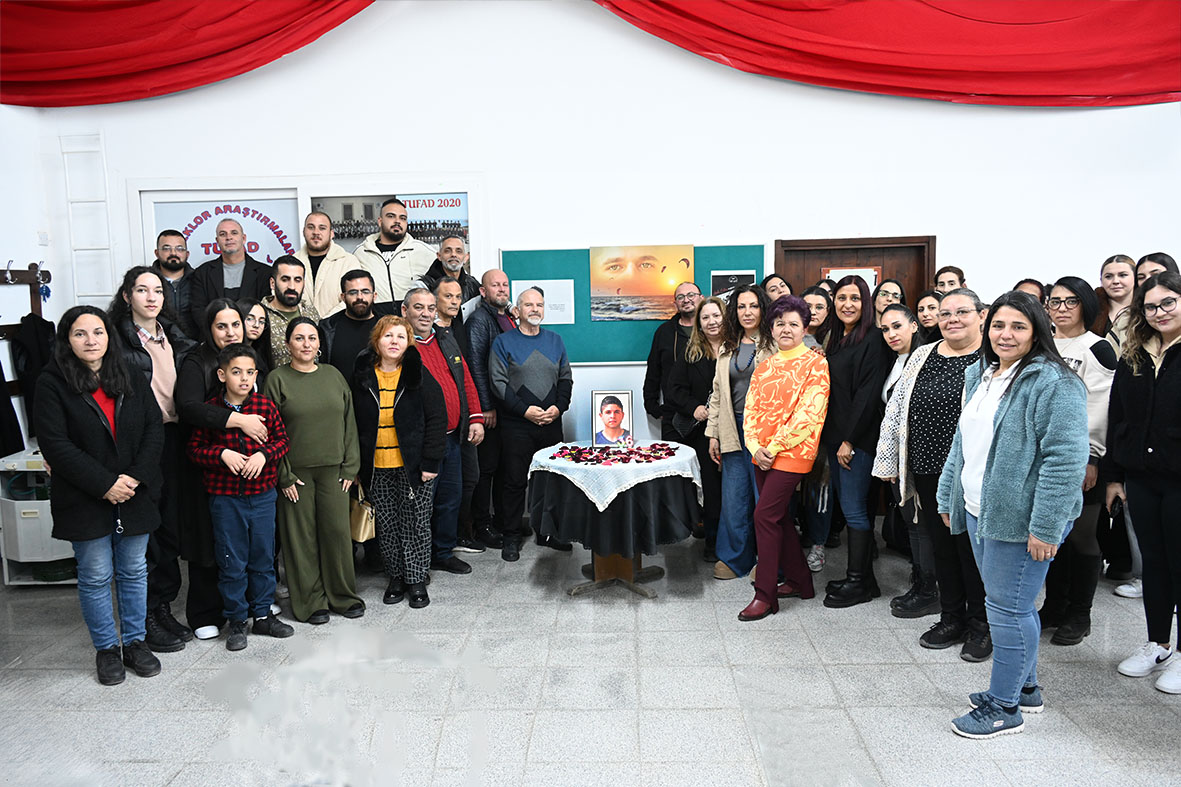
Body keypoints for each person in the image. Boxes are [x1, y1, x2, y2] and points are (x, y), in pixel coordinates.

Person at [938, 290, 1088, 738]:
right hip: (980, 509)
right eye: (999, 325)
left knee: (1007, 610)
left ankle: (1004, 707)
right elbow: (963, 443)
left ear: (1037, 332)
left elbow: (1065, 461)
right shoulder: (982, 374)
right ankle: (1025, 689)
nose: (1006, 335)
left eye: (1018, 326)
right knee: (1009, 605)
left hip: (1021, 518)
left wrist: (1046, 526)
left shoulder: (1054, 382)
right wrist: (948, 496)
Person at [36, 306, 165, 686]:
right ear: (67, 340)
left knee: (134, 570)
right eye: (80, 334)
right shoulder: (52, 382)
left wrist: (134, 477)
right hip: (84, 495)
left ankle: (135, 642)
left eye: (98, 332)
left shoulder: (128, 373)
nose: (91, 340)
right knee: (95, 575)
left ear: (109, 336)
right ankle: (107, 649)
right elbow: (56, 445)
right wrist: (105, 484)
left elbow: (153, 428)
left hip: (134, 492)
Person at [874, 289, 991, 659]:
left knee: (971, 550)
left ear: (981, 315)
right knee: (942, 547)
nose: (952, 320)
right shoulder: (923, 354)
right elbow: (896, 409)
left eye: (962, 312)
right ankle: (951, 618)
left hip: (971, 472)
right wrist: (889, 459)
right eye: (945, 314)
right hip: (926, 467)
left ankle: (981, 625)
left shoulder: (991, 359)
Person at [109, 267, 198, 653]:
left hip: (176, 438)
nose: (151, 297)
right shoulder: (115, 339)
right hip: (140, 441)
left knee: (169, 527)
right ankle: (144, 616)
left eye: (157, 290)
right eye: (142, 290)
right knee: (144, 530)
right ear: (126, 296)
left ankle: (162, 607)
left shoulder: (173, 336)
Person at [187, 344, 294, 651]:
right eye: (236, 372)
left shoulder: (264, 406)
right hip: (226, 500)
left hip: (262, 497)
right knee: (232, 561)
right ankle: (236, 620)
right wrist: (221, 454)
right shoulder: (211, 411)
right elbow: (195, 450)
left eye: (250, 372)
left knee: (263, 558)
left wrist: (264, 455)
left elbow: (282, 440)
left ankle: (262, 615)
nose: (244, 378)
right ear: (222, 375)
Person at [1105, 270, 1181, 694]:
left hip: (1178, 477)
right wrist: (1115, 475)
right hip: (1141, 475)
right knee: (1153, 562)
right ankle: (1159, 644)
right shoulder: (1135, 354)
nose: (1159, 312)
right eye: (1150, 306)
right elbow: (1118, 417)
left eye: (1168, 302)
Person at [262, 318, 364, 624]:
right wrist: (283, 475)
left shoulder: (333, 376)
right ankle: (310, 602)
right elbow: (269, 432)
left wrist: (351, 466)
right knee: (300, 539)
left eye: (312, 337)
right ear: (287, 344)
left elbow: (349, 422)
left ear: (320, 343)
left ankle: (342, 596)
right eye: (299, 338)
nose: (306, 343)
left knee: (337, 535)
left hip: (335, 472)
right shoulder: (277, 380)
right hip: (296, 475)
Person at [174, 300, 265, 640]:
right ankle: (205, 612)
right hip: (208, 466)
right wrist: (237, 421)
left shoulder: (252, 359)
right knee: (208, 540)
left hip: (252, 473)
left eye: (235, 325)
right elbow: (188, 407)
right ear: (209, 329)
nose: (230, 333)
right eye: (221, 326)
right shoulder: (196, 361)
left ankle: (254, 606)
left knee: (252, 545)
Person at [738, 295, 830, 621]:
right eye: (780, 324)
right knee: (778, 518)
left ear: (805, 328)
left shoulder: (815, 363)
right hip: (761, 454)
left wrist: (773, 448)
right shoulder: (765, 366)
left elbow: (809, 414)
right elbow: (751, 410)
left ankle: (765, 595)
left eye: (793, 323)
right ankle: (801, 581)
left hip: (793, 453)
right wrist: (755, 448)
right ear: (772, 329)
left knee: (764, 516)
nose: (786, 329)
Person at [1037, 277, 1117, 646]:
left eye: (1071, 301)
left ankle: (1080, 614)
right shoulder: (1043, 343)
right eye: (1055, 301)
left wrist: (1092, 456)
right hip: (1045, 456)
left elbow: (1099, 407)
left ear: (1086, 304)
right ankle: (1054, 606)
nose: (1062, 308)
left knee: (1082, 536)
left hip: (1084, 456)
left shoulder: (1096, 348)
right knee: (1054, 534)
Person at [353, 316, 446, 609]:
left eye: (401, 337)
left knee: (416, 524)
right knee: (388, 525)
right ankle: (396, 577)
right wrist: (355, 466)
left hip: (414, 467)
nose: (394, 341)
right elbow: (352, 423)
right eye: (388, 336)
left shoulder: (418, 375)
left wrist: (431, 462)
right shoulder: (362, 377)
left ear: (409, 343)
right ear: (376, 341)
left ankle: (416, 579)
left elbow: (437, 419)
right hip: (376, 467)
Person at [402, 288, 485, 573]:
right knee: (420, 505)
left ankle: (443, 552)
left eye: (430, 308)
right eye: (418, 308)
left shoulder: (446, 339)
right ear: (405, 311)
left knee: (450, 499)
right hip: (422, 442)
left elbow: (466, 380)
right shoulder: (400, 344)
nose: (426, 314)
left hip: (453, 438)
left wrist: (475, 417)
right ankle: (418, 560)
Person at [821, 275, 891, 608]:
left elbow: (866, 395)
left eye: (855, 298)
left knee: (855, 510)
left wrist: (848, 440)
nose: (847, 304)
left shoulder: (873, 339)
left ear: (866, 303)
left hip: (857, 441)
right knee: (851, 508)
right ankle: (866, 581)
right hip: (836, 439)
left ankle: (857, 582)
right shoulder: (837, 338)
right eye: (841, 298)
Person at [489, 287, 573, 561]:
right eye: (528, 305)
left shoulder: (555, 340)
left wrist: (558, 408)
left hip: (550, 423)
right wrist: (525, 411)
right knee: (514, 482)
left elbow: (565, 378)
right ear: (518, 310)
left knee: (550, 480)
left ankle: (547, 532)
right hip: (517, 426)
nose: (535, 309)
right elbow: (498, 384)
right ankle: (511, 537)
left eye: (539, 305)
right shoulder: (503, 342)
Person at [874, 303, 941, 618]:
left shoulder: (927, 359)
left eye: (897, 326)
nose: (891, 334)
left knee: (923, 525)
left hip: (919, 457)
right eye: (885, 329)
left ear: (914, 325)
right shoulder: (895, 361)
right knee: (912, 524)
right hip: (897, 458)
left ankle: (930, 590)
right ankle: (920, 582)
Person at [706, 284, 773, 580]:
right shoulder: (728, 345)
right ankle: (735, 559)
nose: (747, 312)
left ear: (763, 309)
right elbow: (717, 393)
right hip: (731, 427)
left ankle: (769, 562)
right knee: (734, 499)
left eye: (754, 306)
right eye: (742, 306)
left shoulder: (774, 344)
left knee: (764, 500)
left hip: (764, 431)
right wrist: (713, 433)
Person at [668, 296, 726, 562]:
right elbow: (674, 390)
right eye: (705, 317)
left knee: (736, 490)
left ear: (725, 318)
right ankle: (713, 544)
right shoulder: (690, 353)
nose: (712, 322)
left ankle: (739, 542)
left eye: (716, 316)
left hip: (736, 429)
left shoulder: (739, 349)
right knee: (712, 491)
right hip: (703, 433)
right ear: (699, 324)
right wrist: (694, 408)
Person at [465, 269, 517, 550]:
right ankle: (482, 525)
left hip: (506, 407)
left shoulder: (507, 316)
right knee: (486, 469)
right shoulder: (479, 320)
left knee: (503, 467)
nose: (501, 289)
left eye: (505, 285)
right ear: (483, 292)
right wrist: (485, 407)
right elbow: (476, 365)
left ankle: (501, 521)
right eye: (495, 285)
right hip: (490, 408)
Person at [187, 218, 273, 329]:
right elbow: (198, 310)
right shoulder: (202, 273)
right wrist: (219, 331)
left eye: (234, 233)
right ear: (217, 241)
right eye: (223, 234)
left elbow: (267, 310)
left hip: (253, 337)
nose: (229, 237)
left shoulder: (265, 273)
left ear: (243, 238)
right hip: (215, 336)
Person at [351, 197, 436, 306]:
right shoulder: (361, 253)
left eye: (402, 218)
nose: (397, 221)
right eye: (391, 216)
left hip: (411, 316)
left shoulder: (424, 252)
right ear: (380, 221)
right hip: (376, 316)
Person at [643, 281, 701, 440]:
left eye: (691, 295)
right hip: (673, 414)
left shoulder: (711, 330)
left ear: (701, 298)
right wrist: (652, 407)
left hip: (706, 413)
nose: (686, 300)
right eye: (680, 297)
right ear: (675, 303)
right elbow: (653, 371)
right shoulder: (664, 332)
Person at [321, 269, 397, 381]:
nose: (360, 297)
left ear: (374, 295)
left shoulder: (391, 327)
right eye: (353, 292)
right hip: (338, 391)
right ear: (343, 297)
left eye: (365, 292)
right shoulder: (327, 328)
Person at [294, 211, 362, 318]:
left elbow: (354, 297)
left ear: (331, 233)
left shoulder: (348, 262)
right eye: (311, 227)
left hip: (337, 325)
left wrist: (324, 322)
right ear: (303, 231)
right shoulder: (293, 262)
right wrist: (305, 324)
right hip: (300, 326)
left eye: (322, 228)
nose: (316, 232)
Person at [260, 256, 320, 368]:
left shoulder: (311, 312)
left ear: (303, 284)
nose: (292, 287)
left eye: (297, 280)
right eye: (285, 279)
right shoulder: (260, 315)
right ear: (272, 283)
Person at [151, 229, 199, 339]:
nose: (173, 253)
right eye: (166, 249)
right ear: (157, 253)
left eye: (179, 249)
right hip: (157, 343)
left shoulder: (199, 279)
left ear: (187, 254)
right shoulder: (147, 281)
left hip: (196, 344)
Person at [414, 235, 482, 308]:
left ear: (466, 257)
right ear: (439, 256)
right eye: (448, 251)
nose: (453, 254)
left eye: (458, 251)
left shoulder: (474, 285)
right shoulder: (423, 286)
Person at [1092, 254, 1136, 346]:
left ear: (1135, 278)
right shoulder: (1090, 310)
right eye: (1108, 276)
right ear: (1101, 280)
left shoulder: (1147, 309)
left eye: (1122, 275)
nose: (1115, 281)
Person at [801, 285, 836, 352]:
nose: (812, 312)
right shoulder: (790, 333)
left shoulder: (833, 336)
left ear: (828, 311)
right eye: (807, 306)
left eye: (819, 307)